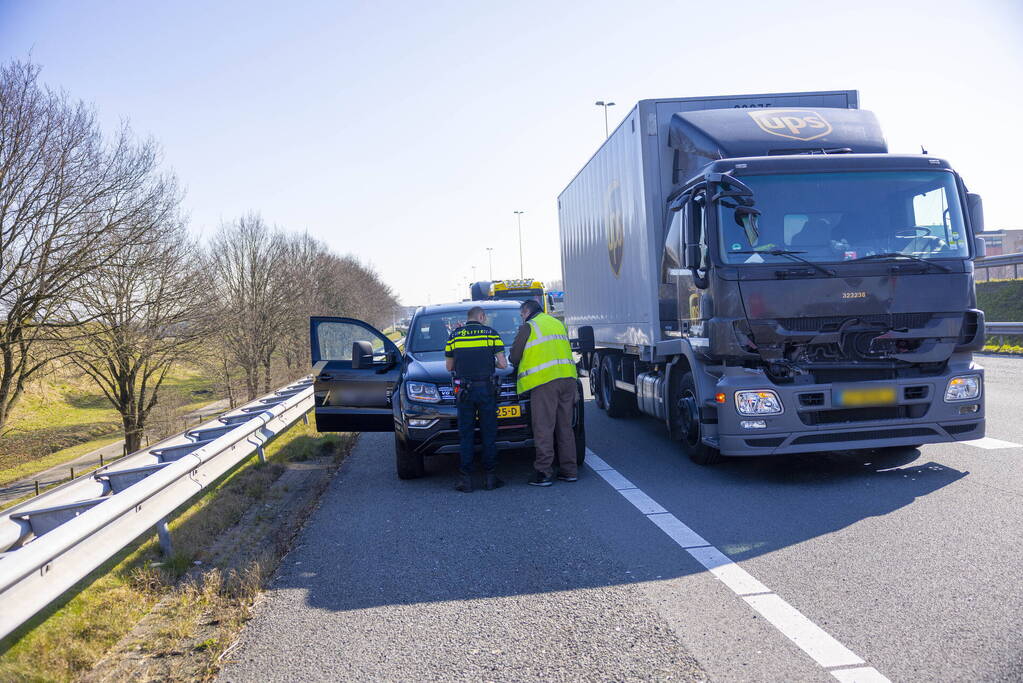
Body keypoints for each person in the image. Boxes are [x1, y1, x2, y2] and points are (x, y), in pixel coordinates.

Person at [509, 299, 578, 487]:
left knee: (543, 428)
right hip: (568, 379)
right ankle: (569, 471)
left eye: (521, 315)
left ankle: (544, 473)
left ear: (526, 312)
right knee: (565, 427)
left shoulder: (529, 326)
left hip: (545, 382)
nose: (522, 318)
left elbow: (514, 356)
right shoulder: (557, 323)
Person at [444, 306, 508, 492]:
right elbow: (503, 364)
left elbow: (449, 367)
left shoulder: (455, 336)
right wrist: (490, 361)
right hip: (486, 389)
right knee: (489, 433)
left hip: (464, 391)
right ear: (481, 316)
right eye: (484, 317)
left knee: (466, 434)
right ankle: (490, 478)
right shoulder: (491, 334)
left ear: (468, 318)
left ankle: (466, 481)